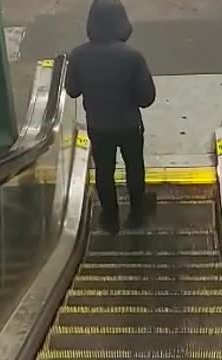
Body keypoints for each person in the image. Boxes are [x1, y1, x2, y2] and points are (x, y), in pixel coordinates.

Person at [66, 0, 156, 234]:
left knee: (104, 170)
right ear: (122, 22)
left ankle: (110, 219)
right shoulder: (133, 57)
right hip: (129, 125)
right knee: (134, 166)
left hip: (98, 125)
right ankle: (136, 215)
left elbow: (72, 90)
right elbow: (147, 98)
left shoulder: (78, 55)